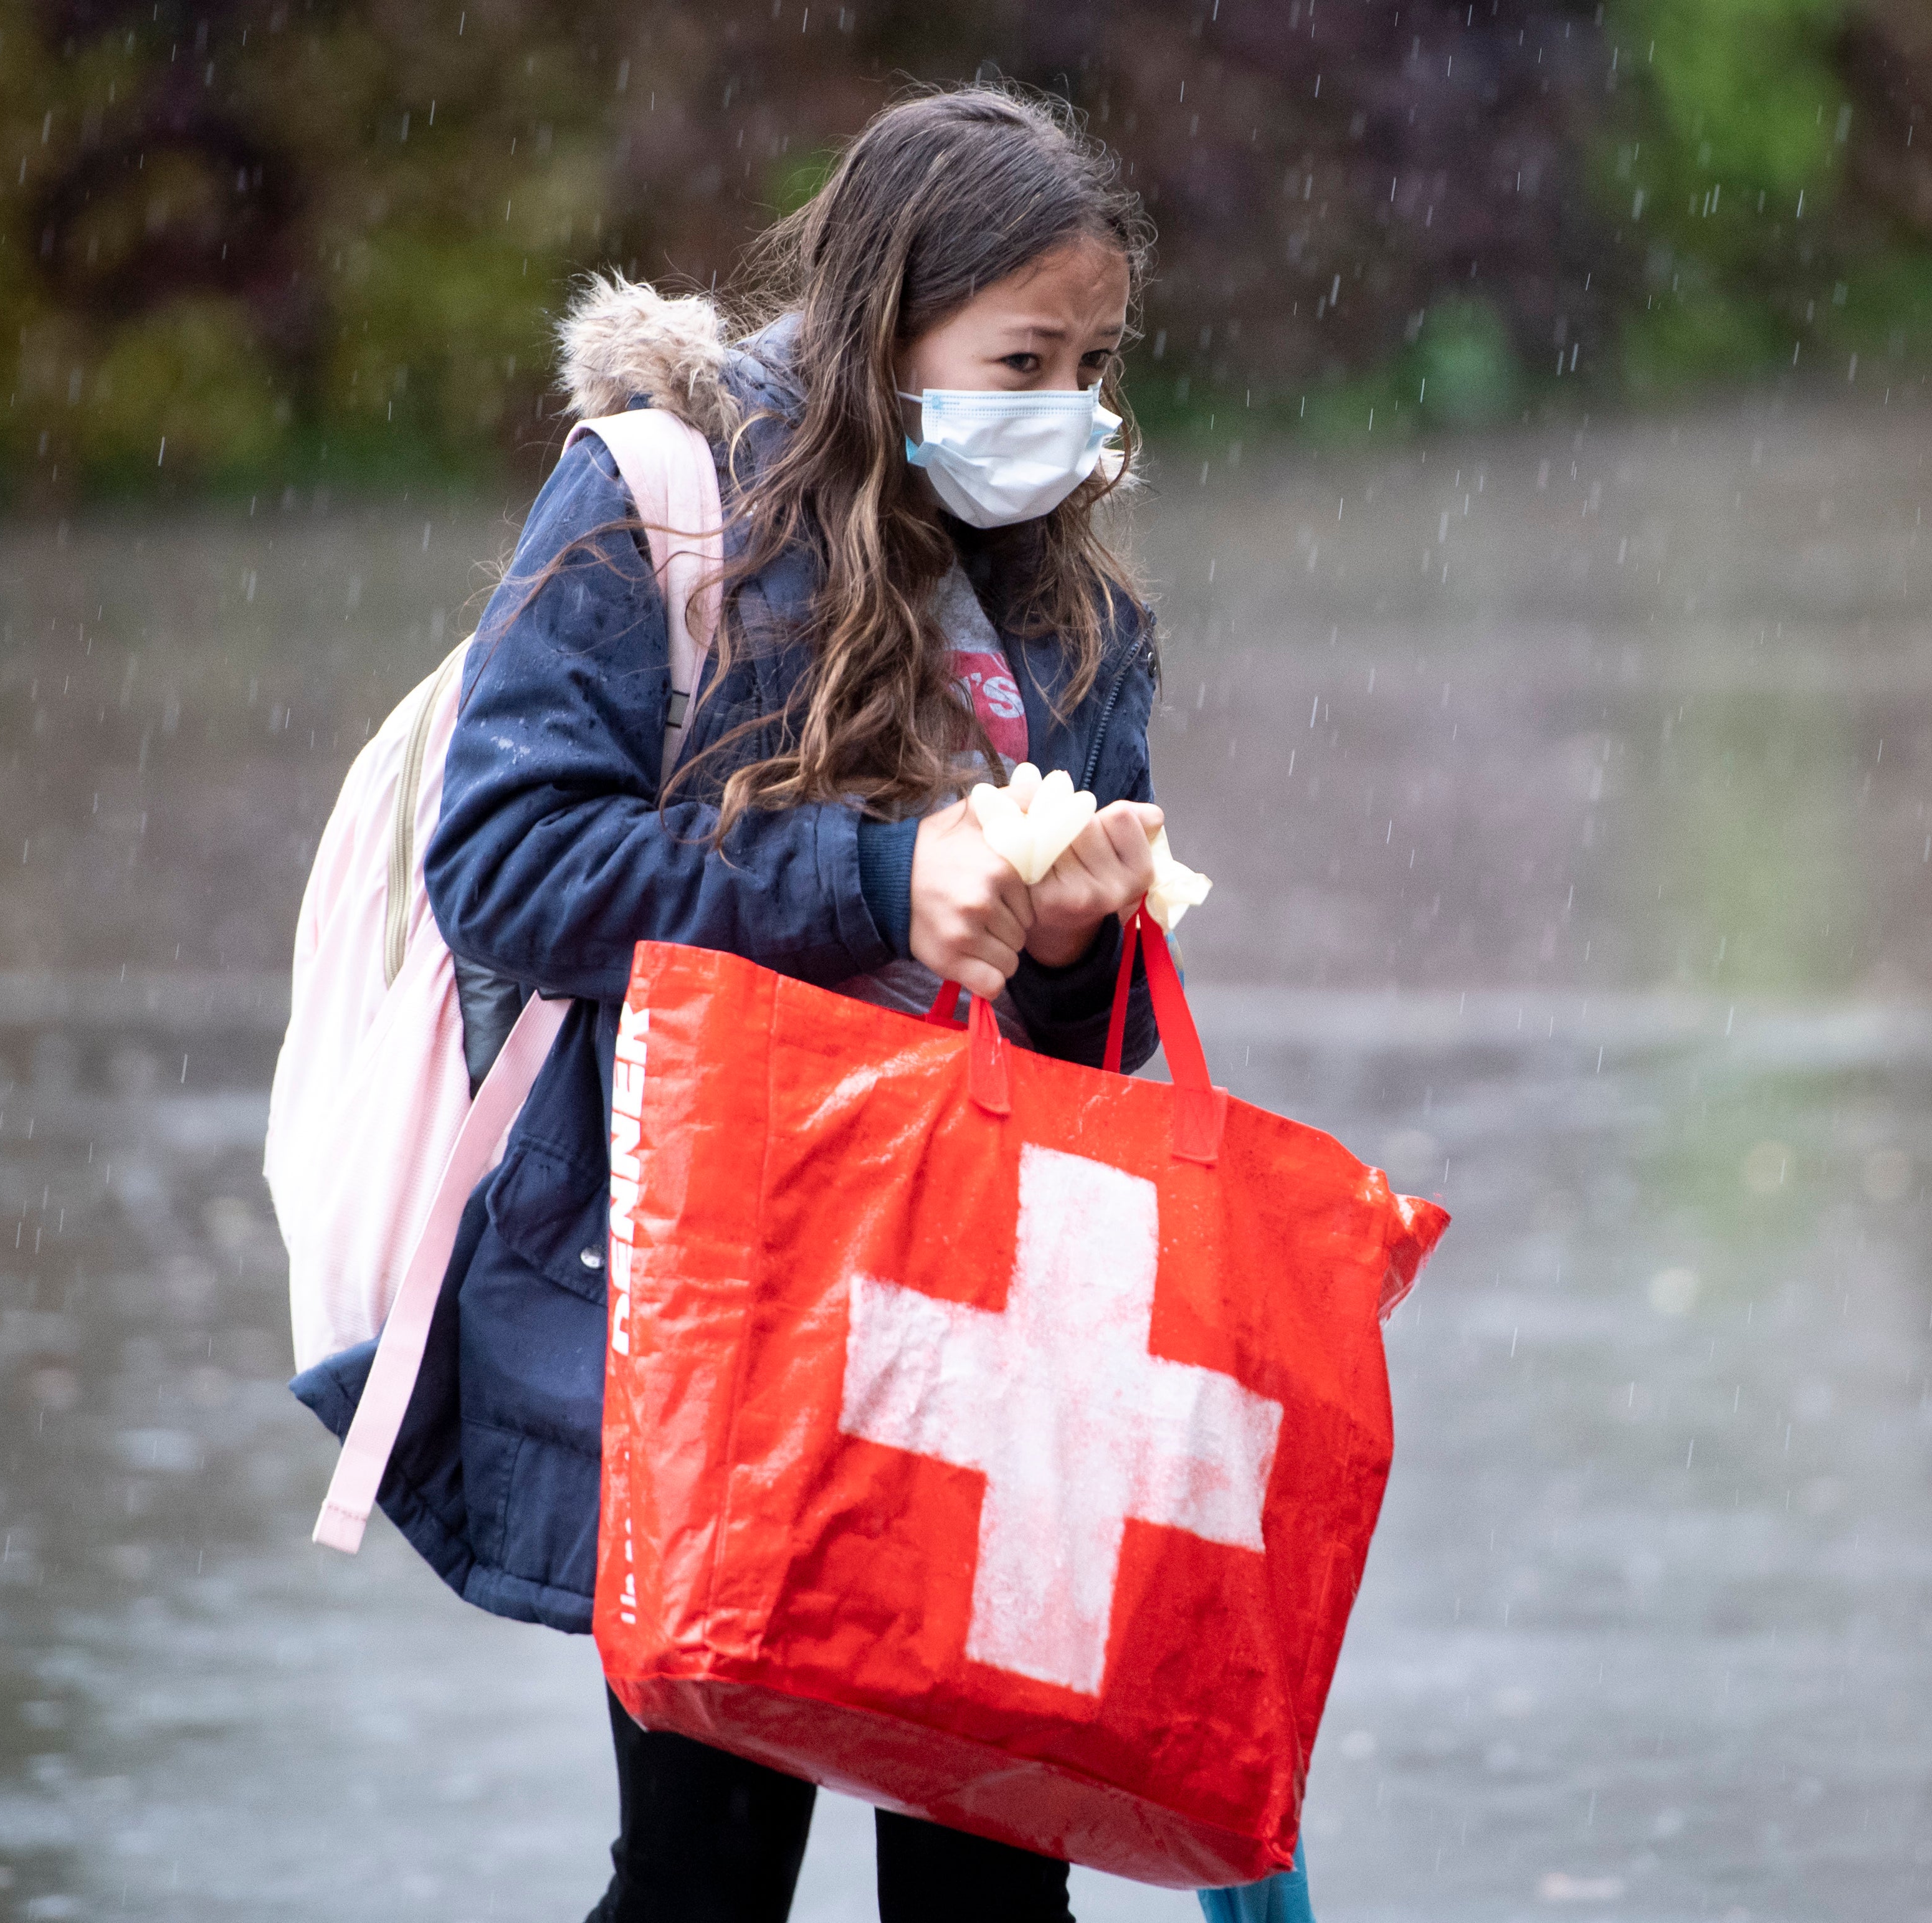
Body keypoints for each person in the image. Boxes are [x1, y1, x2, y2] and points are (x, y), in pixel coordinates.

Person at [293, 84, 1209, 1919]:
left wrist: (1073, 949)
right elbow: (513, 869)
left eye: (1093, 364)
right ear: (889, 328)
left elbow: (1088, 1075)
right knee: (709, 1874)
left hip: (982, 1329)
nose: (1061, 413)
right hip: (722, 1307)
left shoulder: (1079, 622)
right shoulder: (660, 505)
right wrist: (881, 881)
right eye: (1019, 358)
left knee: (989, 1892)